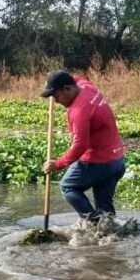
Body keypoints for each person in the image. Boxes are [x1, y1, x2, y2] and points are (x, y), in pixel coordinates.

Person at [40, 70, 126, 223]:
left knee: (68, 186)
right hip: (117, 162)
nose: (56, 101)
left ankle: (93, 224)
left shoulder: (78, 111)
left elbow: (80, 145)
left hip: (98, 162)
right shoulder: (86, 86)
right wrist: (53, 80)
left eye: (56, 96)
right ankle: (109, 237)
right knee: (105, 210)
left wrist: (57, 164)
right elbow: (78, 78)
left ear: (67, 89)